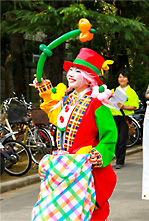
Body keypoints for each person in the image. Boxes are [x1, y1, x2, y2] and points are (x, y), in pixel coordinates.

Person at [30, 48, 118, 220]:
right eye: (71, 69)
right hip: (64, 166)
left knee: (90, 211)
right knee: (59, 212)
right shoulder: (68, 98)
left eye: (78, 71)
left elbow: (110, 135)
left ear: (88, 77)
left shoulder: (97, 102)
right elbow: (57, 118)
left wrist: (97, 154)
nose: (71, 73)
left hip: (85, 168)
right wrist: (45, 91)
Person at [110, 70, 139, 169]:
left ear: (128, 80)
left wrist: (125, 107)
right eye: (120, 77)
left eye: (124, 77)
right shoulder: (113, 91)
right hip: (114, 117)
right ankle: (118, 157)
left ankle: (120, 161)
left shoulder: (131, 92)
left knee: (122, 140)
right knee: (115, 140)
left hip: (125, 118)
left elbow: (135, 106)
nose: (122, 79)